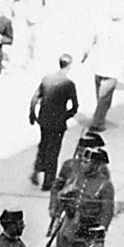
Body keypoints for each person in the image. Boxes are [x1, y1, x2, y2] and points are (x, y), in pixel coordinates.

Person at [27, 55, 80, 190]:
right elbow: (75, 106)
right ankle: (48, 182)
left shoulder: (47, 79)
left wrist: (32, 114)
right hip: (58, 123)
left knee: (43, 145)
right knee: (53, 151)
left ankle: (37, 170)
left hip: (44, 119)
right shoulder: (69, 84)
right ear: (69, 66)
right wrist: (65, 116)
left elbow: (34, 98)